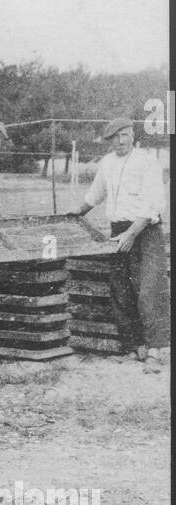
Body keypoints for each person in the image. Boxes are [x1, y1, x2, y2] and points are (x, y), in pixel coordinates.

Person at [72, 117, 169, 371]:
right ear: (109, 141)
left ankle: (155, 352)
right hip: (117, 232)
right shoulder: (107, 163)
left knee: (149, 290)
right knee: (121, 291)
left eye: (124, 135)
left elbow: (153, 205)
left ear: (133, 135)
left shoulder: (147, 162)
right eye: (115, 137)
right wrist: (75, 214)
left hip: (145, 232)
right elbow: (96, 194)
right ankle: (135, 348)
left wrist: (131, 234)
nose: (120, 141)